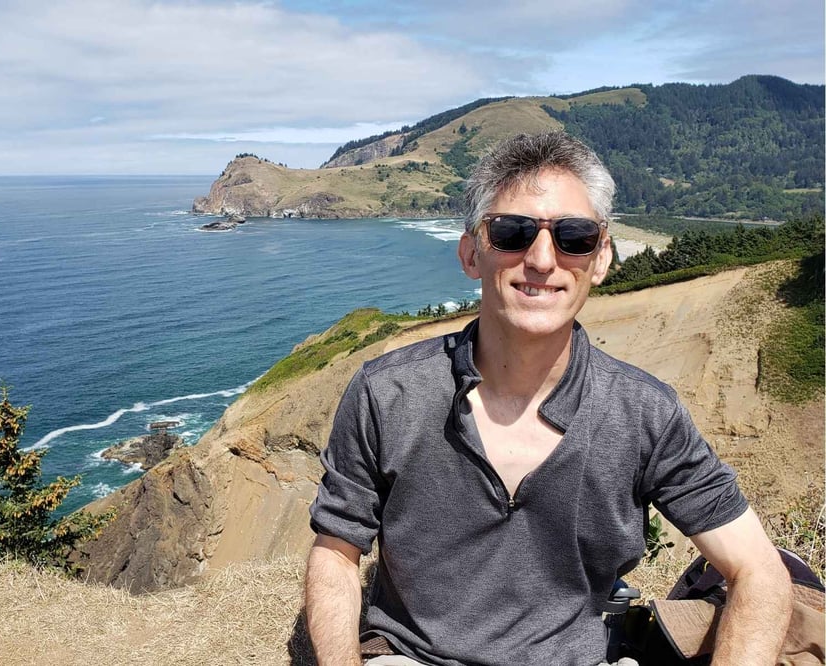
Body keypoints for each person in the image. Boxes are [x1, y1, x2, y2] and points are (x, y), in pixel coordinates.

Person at [304, 131, 792, 666]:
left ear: (601, 257)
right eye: (512, 232)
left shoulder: (645, 413)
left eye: (574, 236)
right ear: (471, 252)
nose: (541, 259)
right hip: (416, 656)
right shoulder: (387, 392)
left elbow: (759, 571)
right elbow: (336, 554)